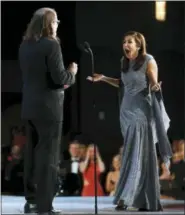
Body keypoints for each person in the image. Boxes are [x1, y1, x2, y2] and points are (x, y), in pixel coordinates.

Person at [87, 31, 172, 211]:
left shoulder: (149, 60)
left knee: (136, 156)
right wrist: (102, 78)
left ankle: (126, 198)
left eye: (130, 42)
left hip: (142, 113)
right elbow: (122, 84)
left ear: (139, 45)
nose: (126, 45)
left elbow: (153, 83)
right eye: (124, 42)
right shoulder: (124, 62)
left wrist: (156, 86)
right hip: (126, 113)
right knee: (131, 155)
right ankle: (140, 199)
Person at [19, 7, 78, 215]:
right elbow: (60, 79)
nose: (57, 25)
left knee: (31, 155)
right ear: (48, 24)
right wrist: (72, 72)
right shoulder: (51, 45)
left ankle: (32, 201)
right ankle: (45, 205)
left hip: (29, 107)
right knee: (49, 157)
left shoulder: (25, 45)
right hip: (49, 109)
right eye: (55, 22)